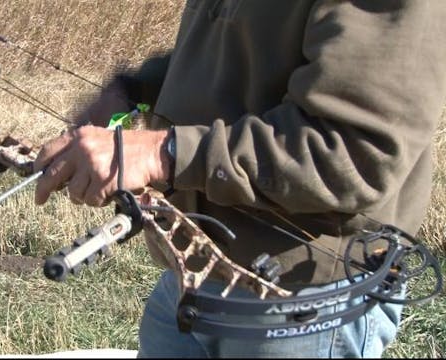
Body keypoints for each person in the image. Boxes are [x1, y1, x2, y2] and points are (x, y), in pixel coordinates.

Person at [33, 1, 446, 358]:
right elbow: (241, 54)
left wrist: (163, 153)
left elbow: (354, 154)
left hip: (301, 303)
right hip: (192, 278)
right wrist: (134, 88)